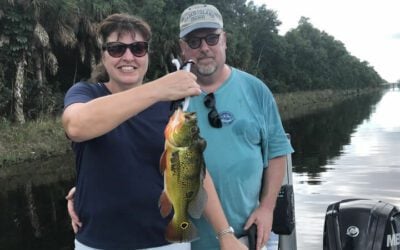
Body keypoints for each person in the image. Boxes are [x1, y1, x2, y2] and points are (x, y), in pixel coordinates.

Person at [62, 13, 246, 250]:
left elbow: (194, 169)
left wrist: (225, 234)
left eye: (138, 48)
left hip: (167, 241)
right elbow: (76, 126)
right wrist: (159, 88)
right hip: (98, 242)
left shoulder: (169, 105)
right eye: (117, 49)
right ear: (104, 56)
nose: (128, 57)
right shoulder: (85, 94)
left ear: (147, 54)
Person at [177, 4, 294, 250]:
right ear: (183, 48)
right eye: (194, 41)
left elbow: (277, 150)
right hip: (190, 241)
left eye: (211, 38)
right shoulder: (169, 96)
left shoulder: (256, 89)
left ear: (224, 40)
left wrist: (267, 208)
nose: (204, 48)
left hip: (251, 235)